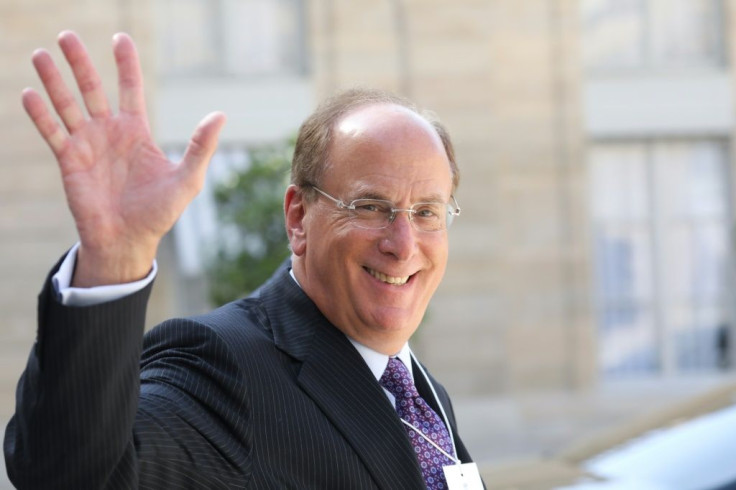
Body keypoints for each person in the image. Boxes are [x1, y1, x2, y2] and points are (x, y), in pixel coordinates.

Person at [3, 31, 482, 489]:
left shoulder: (420, 393)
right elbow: (77, 475)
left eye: (426, 212)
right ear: (298, 217)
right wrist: (112, 261)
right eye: (370, 206)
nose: (403, 243)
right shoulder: (226, 368)